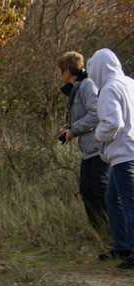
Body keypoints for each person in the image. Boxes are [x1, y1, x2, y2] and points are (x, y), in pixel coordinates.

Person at [56, 52, 111, 244]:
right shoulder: (76, 88)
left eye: (60, 71)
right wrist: (70, 129)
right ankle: (100, 233)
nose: (59, 75)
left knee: (98, 189)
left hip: (98, 147)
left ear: (67, 71)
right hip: (88, 149)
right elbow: (85, 117)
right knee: (86, 189)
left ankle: (113, 233)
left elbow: (96, 114)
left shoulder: (87, 85)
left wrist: (74, 130)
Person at [87, 48, 134, 270]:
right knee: (113, 199)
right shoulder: (129, 83)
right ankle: (122, 246)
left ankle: (131, 252)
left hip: (125, 155)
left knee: (128, 204)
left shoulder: (109, 89)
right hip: (126, 153)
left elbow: (113, 123)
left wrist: (99, 135)